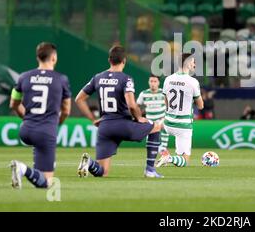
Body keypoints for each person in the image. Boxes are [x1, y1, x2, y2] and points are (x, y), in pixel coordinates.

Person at [75, 45, 164, 178]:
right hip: (123, 125)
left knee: (102, 172)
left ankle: (89, 164)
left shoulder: (97, 77)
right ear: (124, 61)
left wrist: (93, 119)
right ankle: (150, 170)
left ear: (109, 60)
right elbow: (131, 105)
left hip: (105, 127)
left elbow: (79, 99)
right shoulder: (126, 78)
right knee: (156, 126)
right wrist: (139, 118)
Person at [9, 42, 71, 189]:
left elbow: (13, 104)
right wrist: (57, 125)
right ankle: (22, 168)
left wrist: (26, 119)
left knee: (40, 170)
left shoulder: (23, 77)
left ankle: (32, 169)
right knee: (47, 182)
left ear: (37, 57)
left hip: (26, 130)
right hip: (46, 131)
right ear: (54, 58)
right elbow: (66, 110)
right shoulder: (61, 79)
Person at [156, 53, 204, 168]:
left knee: (179, 153)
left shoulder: (168, 79)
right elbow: (201, 105)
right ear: (187, 64)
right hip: (183, 125)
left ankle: (167, 155)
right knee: (185, 161)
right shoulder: (193, 82)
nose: (194, 64)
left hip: (168, 122)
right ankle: (168, 158)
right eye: (193, 61)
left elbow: (166, 102)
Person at [137, 75, 169, 153]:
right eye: (151, 81)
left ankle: (163, 149)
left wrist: (165, 117)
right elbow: (136, 106)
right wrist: (139, 117)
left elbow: (170, 105)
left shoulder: (163, 93)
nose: (153, 83)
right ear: (148, 82)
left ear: (158, 83)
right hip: (150, 121)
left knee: (165, 126)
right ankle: (158, 150)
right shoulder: (144, 94)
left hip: (161, 119)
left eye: (155, 81)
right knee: (151, 145)